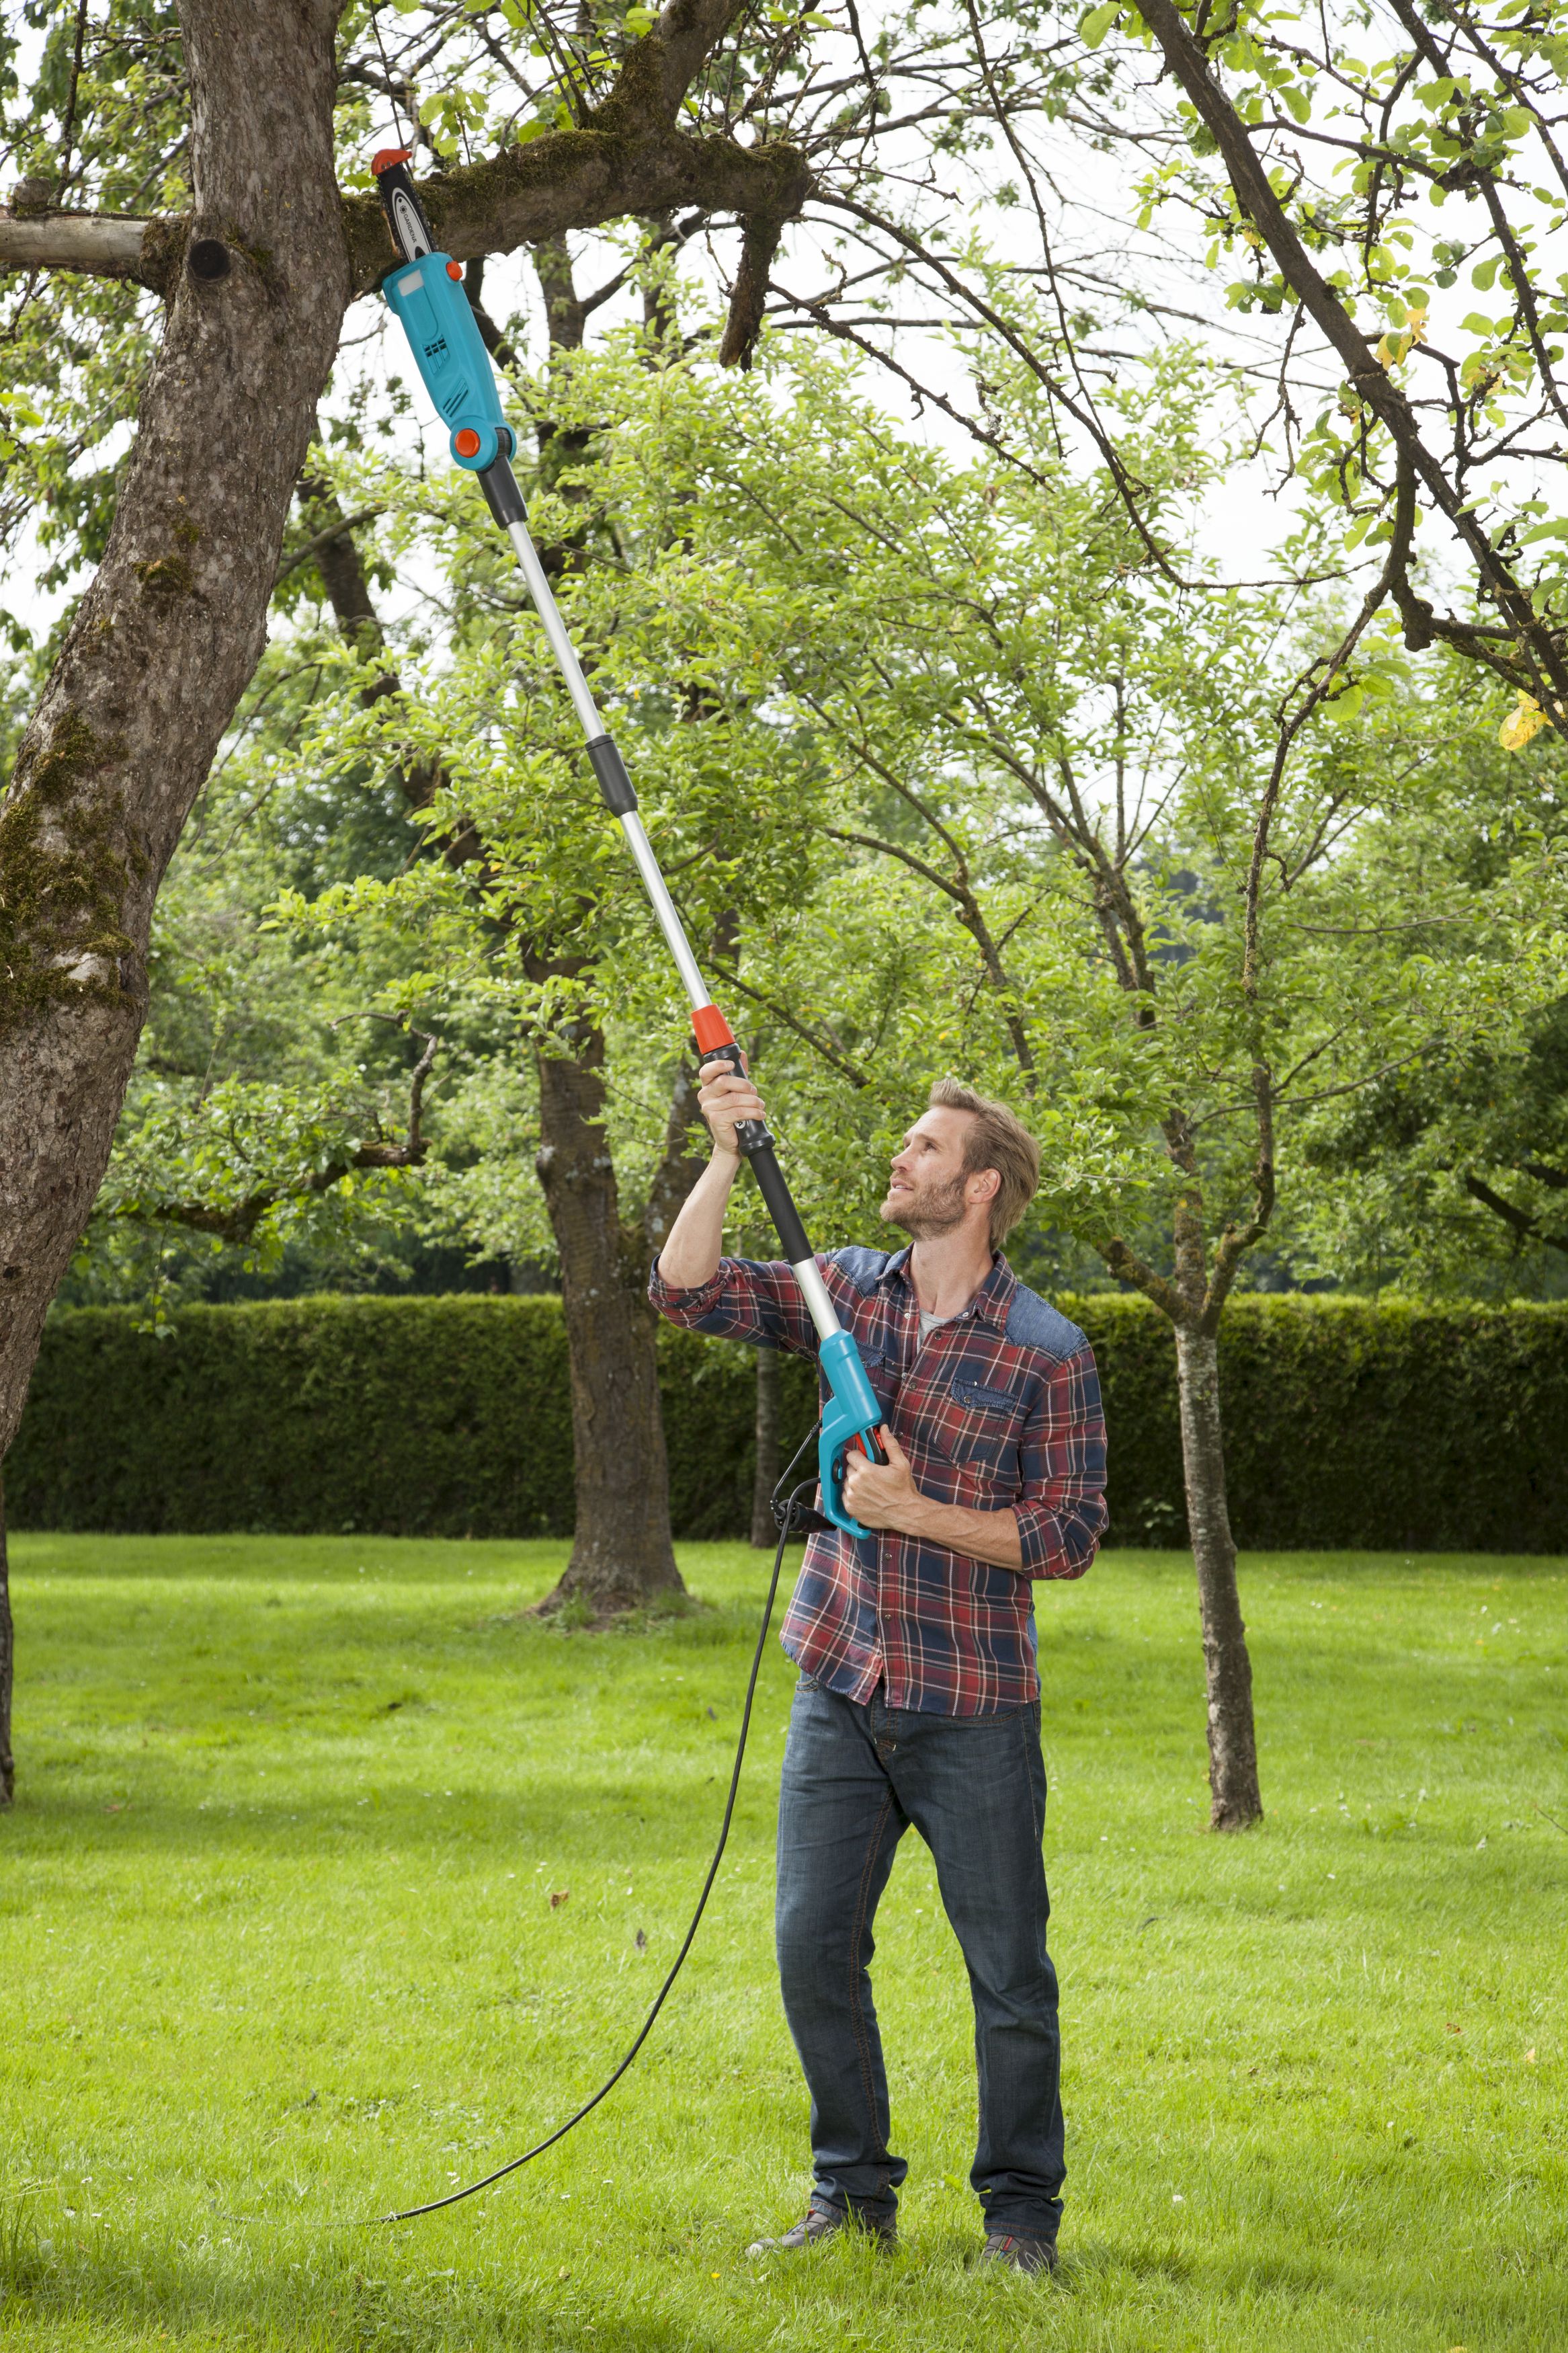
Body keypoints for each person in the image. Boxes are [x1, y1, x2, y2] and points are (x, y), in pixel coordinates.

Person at [651, 1064, 1108, 2275]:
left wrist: (916, 1512)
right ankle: (850, 2199)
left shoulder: (1047, 1351)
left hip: (972, 1711)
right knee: (811, 1949)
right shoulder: (841, 1288)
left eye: (923, 1146)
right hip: (840, 1684)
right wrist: (723, 1159)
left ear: (978, 1187)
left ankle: (1020, 2224)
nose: (898, 1158)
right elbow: (682, 1294)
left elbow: (1065, 1536)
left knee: (1008, 1978)